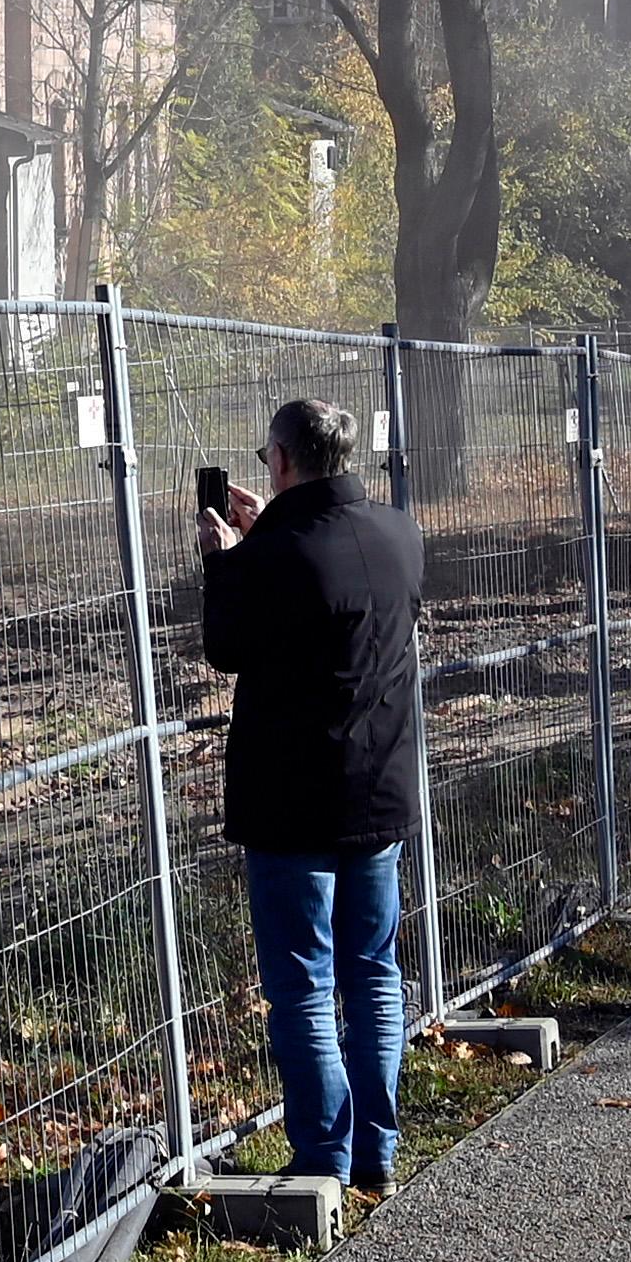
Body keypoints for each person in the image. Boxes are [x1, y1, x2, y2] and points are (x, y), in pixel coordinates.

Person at [196, 395, 428, 1196]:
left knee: (301, 983)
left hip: (292, 802)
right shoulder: (399, 533)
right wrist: (269, 535)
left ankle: (322, 1157)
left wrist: (224, 558)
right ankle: (377, 1153)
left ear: (285, 460)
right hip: (381, 790)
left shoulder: (270, 556)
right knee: (373, 972)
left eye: (267, 457)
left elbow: (225, 647)